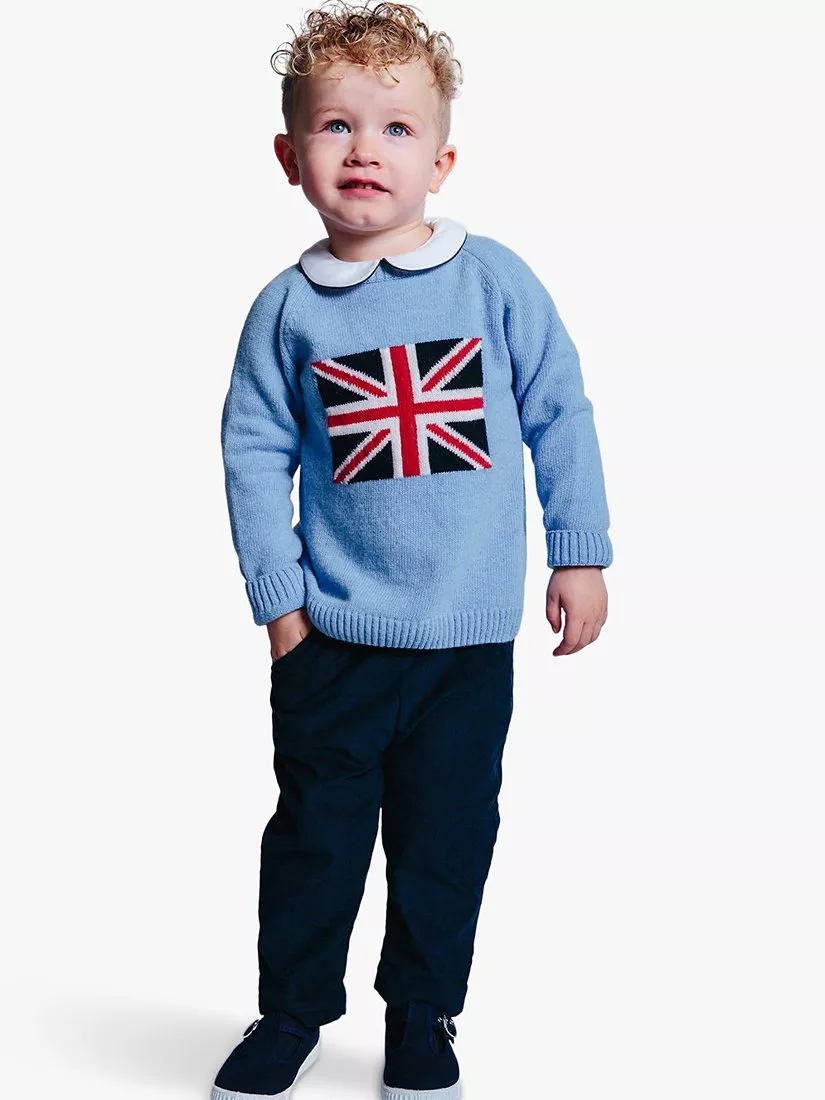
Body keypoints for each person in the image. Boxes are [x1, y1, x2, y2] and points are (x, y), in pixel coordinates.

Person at [213, 2, 613, 1098]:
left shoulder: (494, 281)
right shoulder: (286, 311)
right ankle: (290, 1011)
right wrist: (281, 607)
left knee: (446, 840)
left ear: (440, 161)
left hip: (464, 643)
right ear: (289, 157)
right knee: (315, 839)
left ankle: (423, 1012)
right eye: (335, 125)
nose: (364, 150)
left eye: (395, 129)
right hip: (334, 638)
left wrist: (578, 550)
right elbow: (252, 454)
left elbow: (560, 412)